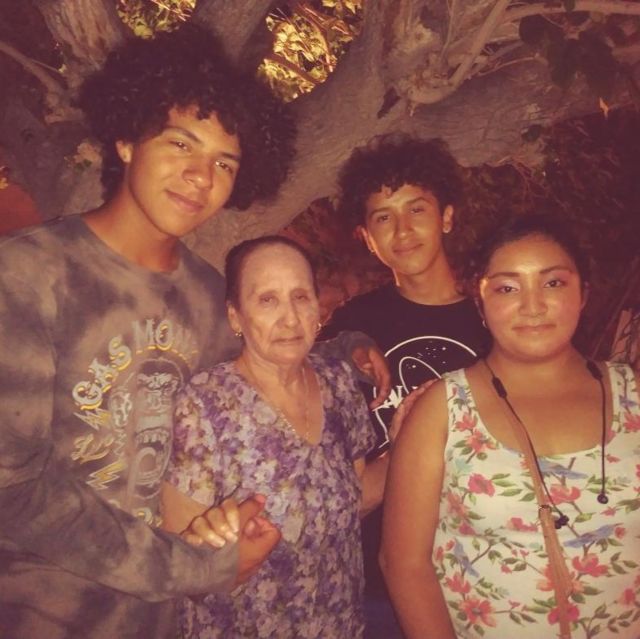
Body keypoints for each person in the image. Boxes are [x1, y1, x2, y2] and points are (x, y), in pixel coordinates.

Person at [0, 24, 385, 639]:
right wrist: (195, 568)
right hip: (42, 614)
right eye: (181, 143)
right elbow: (12, 488)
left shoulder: (205, 295)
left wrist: (346, 347)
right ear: (127, 140)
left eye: (223, 162)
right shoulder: (27, 275)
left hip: (165, 620)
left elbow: (263, 355)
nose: (201, 176)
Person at [381, 214, 640, 639]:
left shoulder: (633, 393)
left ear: (583, 294)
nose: (532, 306)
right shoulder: (442, 409)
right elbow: (404, 564)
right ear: (480, 304)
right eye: (507, 288)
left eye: (552, 283)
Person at [161, 236, 383, 638]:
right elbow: (181, 565)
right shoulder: (203, 405)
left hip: (340, 624)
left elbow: (352, 500)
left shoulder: (339, 384)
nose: (290, 318)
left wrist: (412, 438)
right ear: (235, 317)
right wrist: (219, 554)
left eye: (300, 297)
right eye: (267, 300)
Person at [320, 134, 488, 636]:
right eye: (383, 217)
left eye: (417, 209)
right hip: (377, 582)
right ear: (366, 237)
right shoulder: (352, 328)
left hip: (484, 564)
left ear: (447, 217)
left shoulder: (496, 317)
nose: (403, 230)